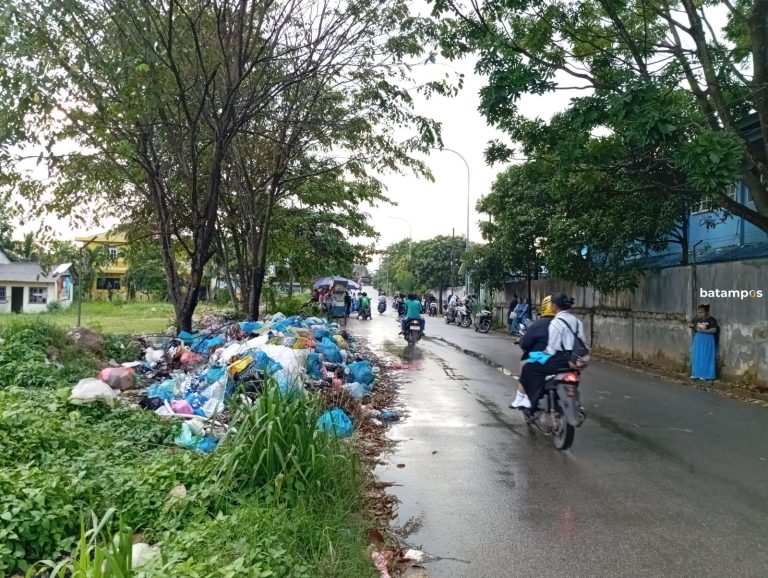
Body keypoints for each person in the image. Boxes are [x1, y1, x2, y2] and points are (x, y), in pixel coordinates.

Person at [518, 293, 588, 411]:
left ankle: (529, 401)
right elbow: (583, 343)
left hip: (556, 361)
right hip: (573, 362)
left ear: (554, 306)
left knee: (528, 367)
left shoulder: (554, 323)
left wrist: (539, 356)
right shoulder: (577, 322)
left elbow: (551, 349)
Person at [510, 295, 555, 409]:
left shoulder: (538, 324)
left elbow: (525, 343)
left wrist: (521, 342)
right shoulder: (564, 322)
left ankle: (521, 397)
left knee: (525, 365)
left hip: (545, 359)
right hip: (565, 360)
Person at [689, 304, 718, 380]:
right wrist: (694, 326)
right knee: (697, 356)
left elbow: (714, 330)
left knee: (706, 356)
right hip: (698, 339)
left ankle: (706, 375)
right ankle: (696, 374)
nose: (700, 314)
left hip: (708, 339)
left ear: (707, 312)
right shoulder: (697, 319)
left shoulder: (712, 320)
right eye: (699, 312)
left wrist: (703, 330)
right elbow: (691, 324)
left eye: (702, 312)